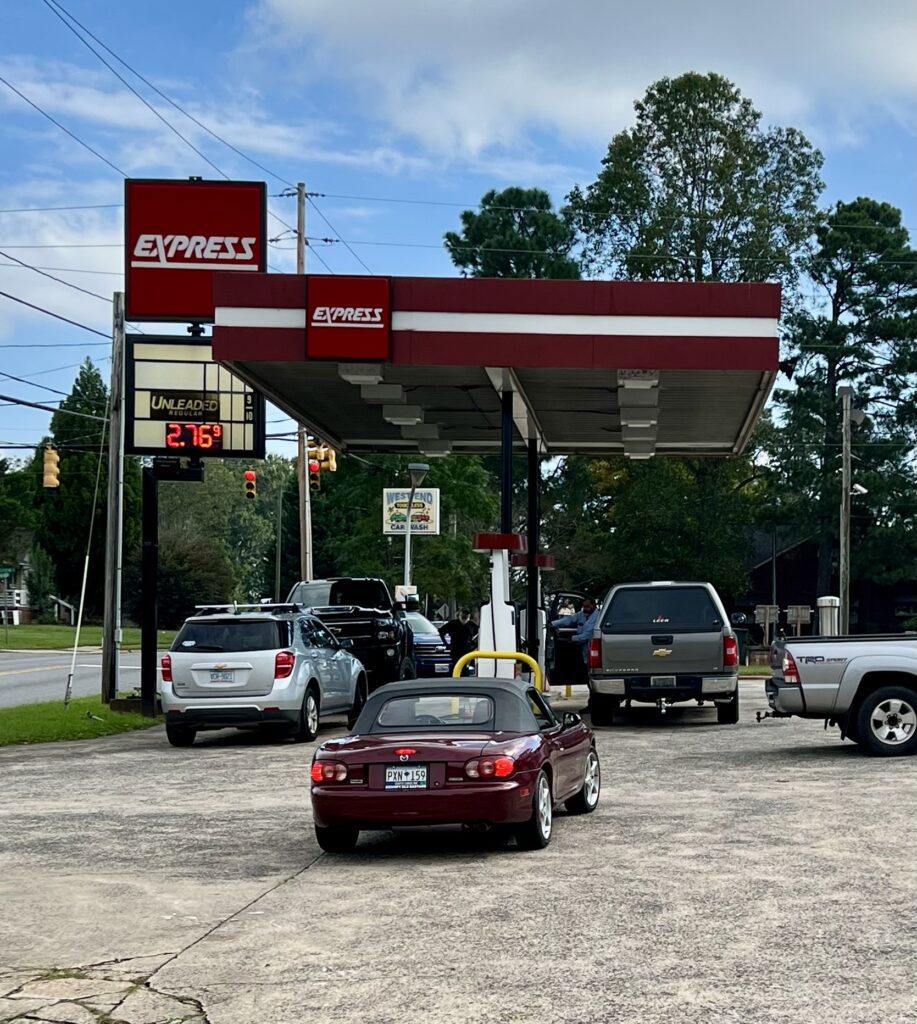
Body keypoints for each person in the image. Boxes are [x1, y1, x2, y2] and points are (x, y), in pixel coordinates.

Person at [551, 597, 599, 671]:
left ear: (594, 606)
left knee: (589, 668)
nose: (585, 608)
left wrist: (572, 639)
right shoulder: (582, 614)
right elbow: (569, 619)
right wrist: (553, 624)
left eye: (587, 606)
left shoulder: (598, 617)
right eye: (584, 606)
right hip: (580, 648)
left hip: (589, 647)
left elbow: (588, 635)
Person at [440, 609, 476, 674]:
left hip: (467, 651)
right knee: (456, 669)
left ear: (469, 616)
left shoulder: (471, 625)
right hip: (455, 650)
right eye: (463, 615)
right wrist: (446, 644)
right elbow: (441, 632)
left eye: (466, 615)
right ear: (459, 615)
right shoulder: (453, 623)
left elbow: (479, 634)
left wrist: (474, 646)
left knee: (466, 671)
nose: (464, 617)